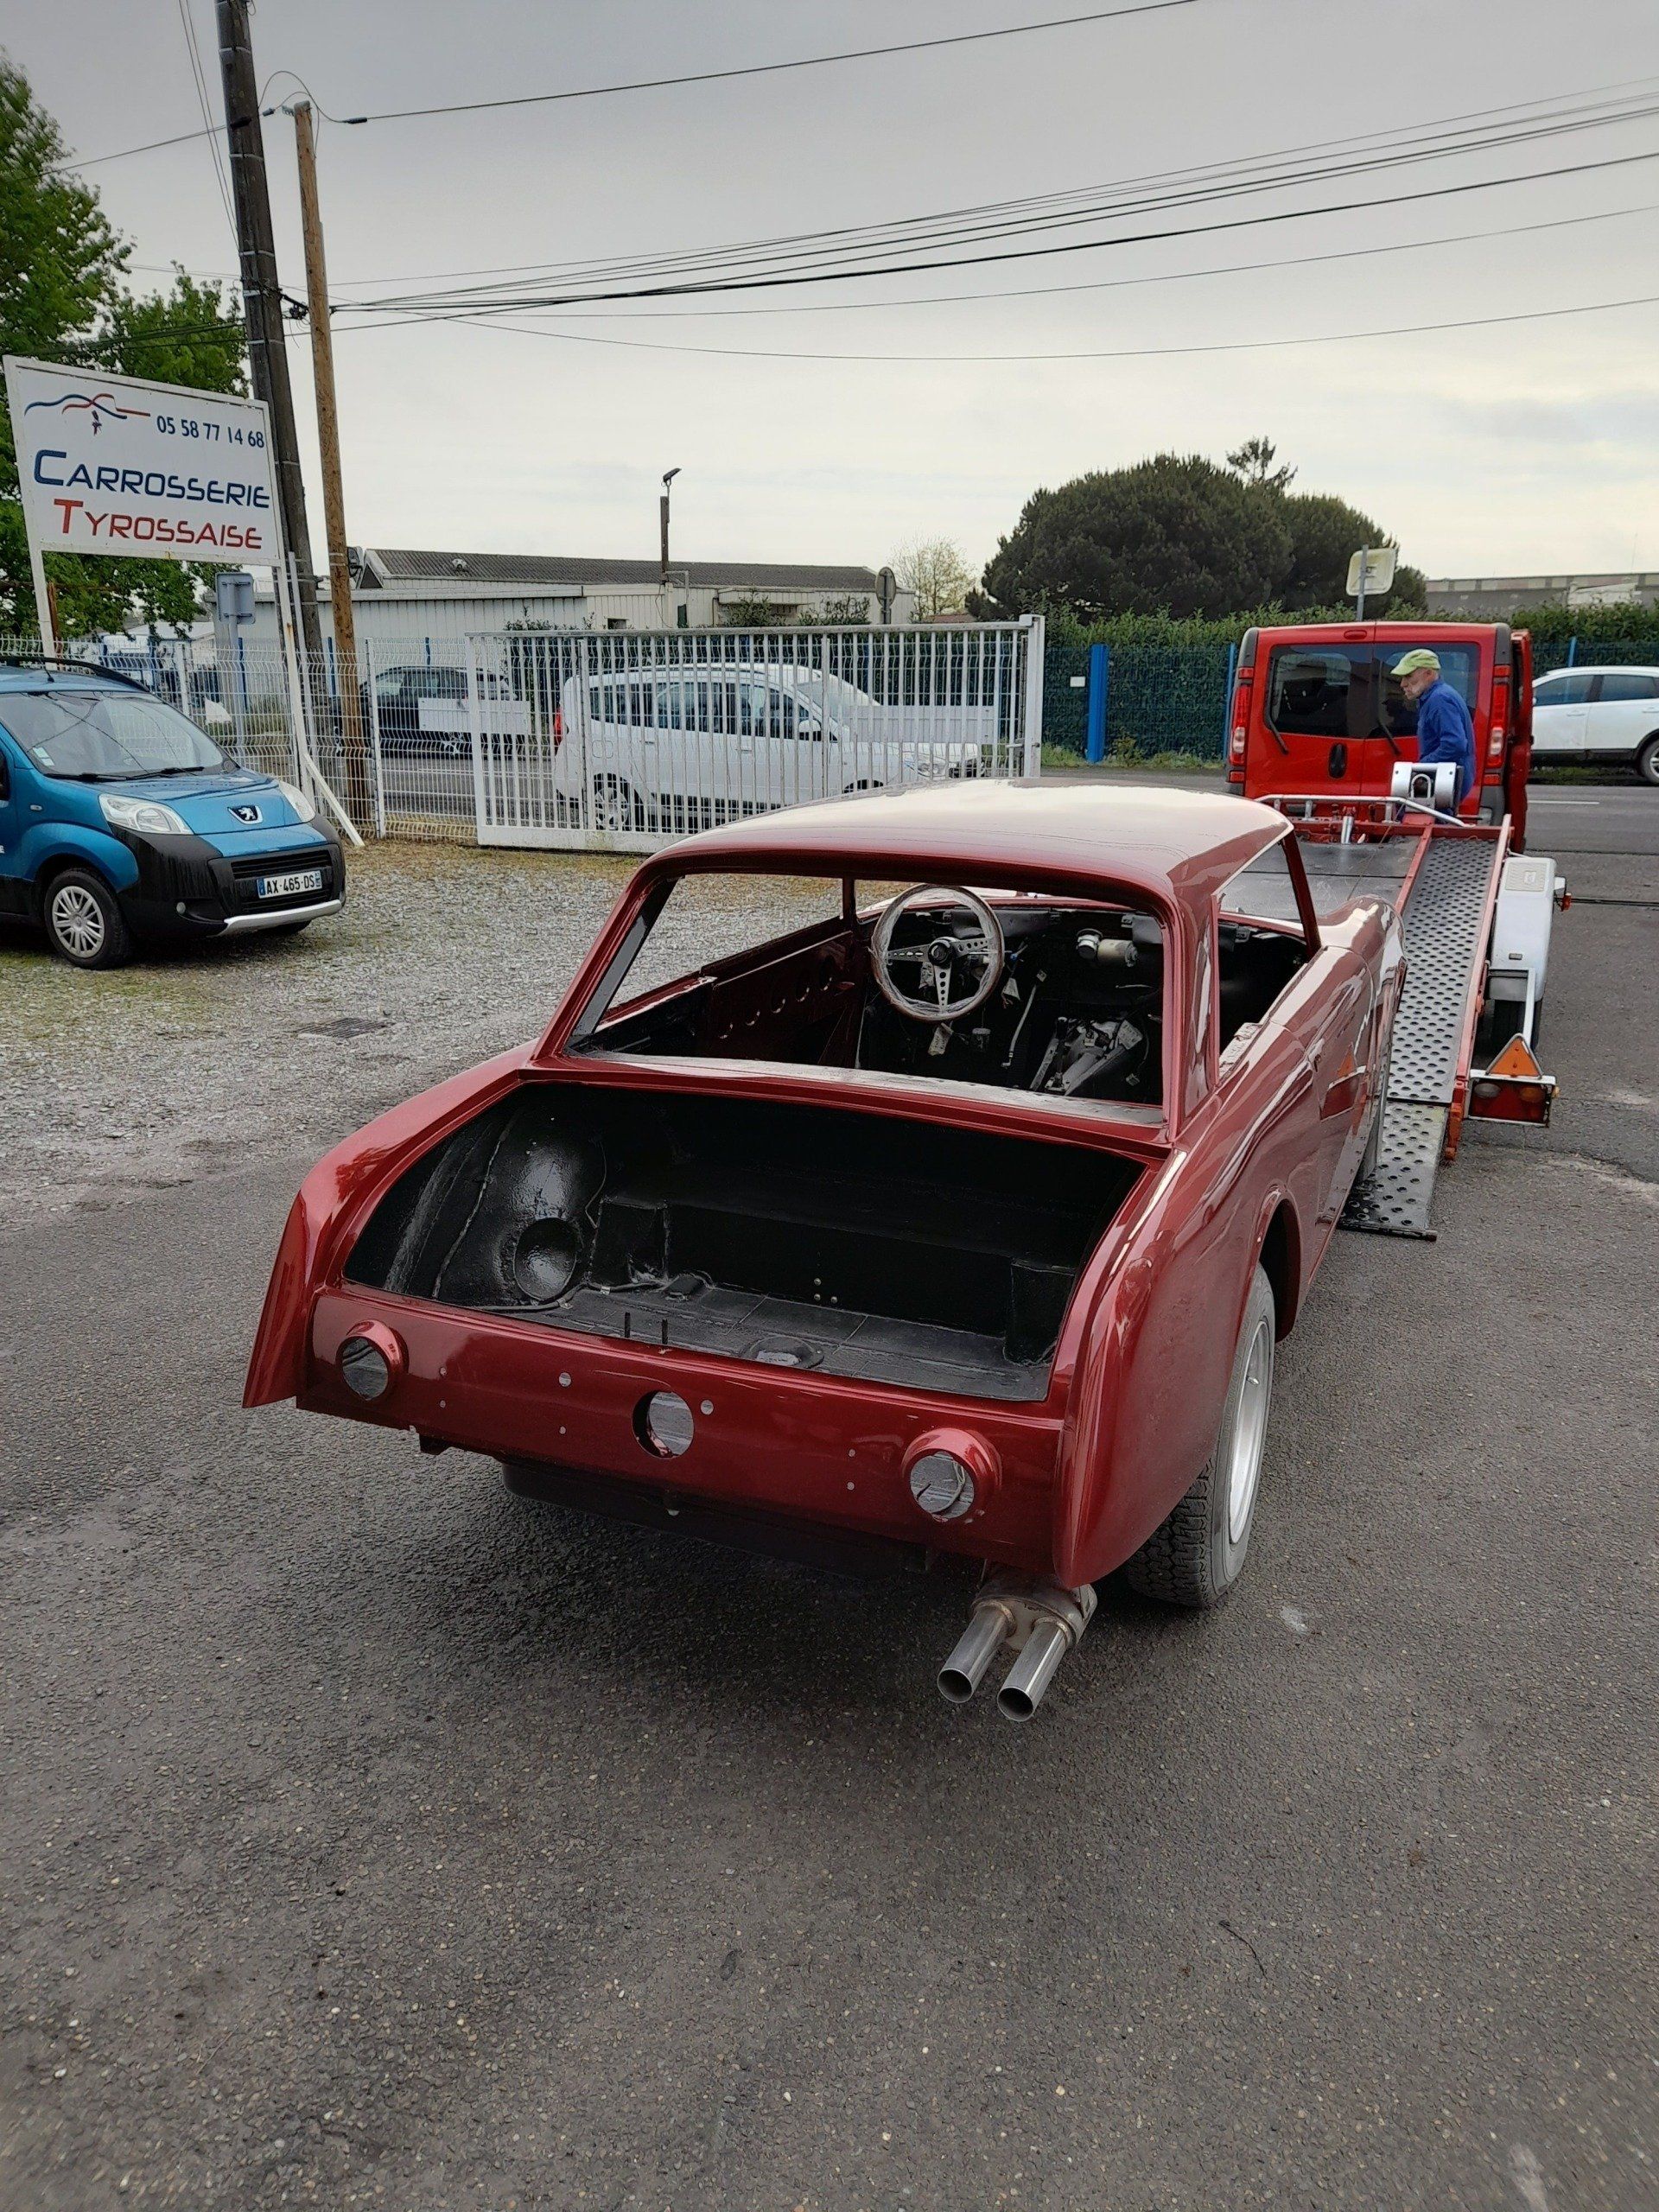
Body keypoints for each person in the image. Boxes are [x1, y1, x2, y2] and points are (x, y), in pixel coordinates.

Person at [1391, 648, 1474, 809]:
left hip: (1444, 783)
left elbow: (1455, 744)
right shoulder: (1438, 697)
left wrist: (1421, 768)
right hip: (1445, 781)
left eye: (1408, 676)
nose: (1403, 684)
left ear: (1428, 674)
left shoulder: (1439, 700)